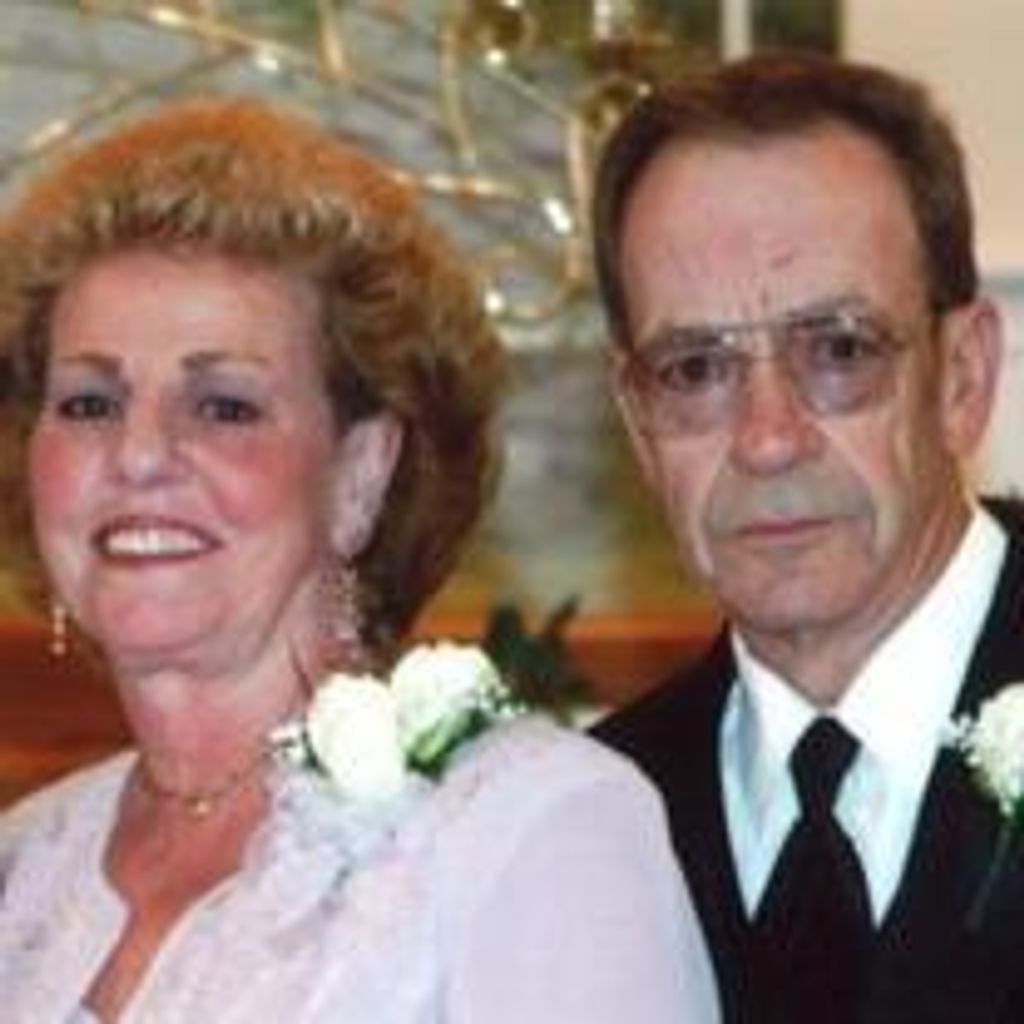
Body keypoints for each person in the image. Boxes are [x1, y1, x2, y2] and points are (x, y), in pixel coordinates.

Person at [0, 97, 720, 1023]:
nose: (137, 455)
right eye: (89, 404)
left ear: (361, 474)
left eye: (223, 406)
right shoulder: (24, 863)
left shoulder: (530, 829)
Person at [590, 52, 1024, 1023]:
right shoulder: (598, 816)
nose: (767, 438)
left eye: (837, 350)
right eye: (695, 369)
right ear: (638, 423)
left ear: (961, 377)